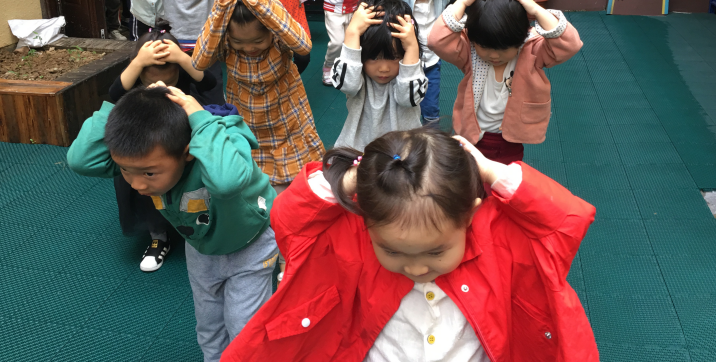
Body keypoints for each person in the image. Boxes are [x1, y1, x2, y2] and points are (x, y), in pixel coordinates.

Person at [220, 128, 598, 362]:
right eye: (394, 251)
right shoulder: (355, 238)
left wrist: (489, 170)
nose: (416, 268)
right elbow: (290, 220)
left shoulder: (497, 238)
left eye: (435, 251)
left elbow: (564, 223)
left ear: (470, 215)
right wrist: (350, 181)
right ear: (365, 223)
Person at [67, 84, 278, 362]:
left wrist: (198, 115)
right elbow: (80, 160)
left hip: (251, 245)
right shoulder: (150, 157)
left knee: (243, 327)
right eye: (126, 171)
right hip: (202, 248)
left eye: (149, 174)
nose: (138, 184)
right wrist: (127, 107)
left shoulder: (221, 142)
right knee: (209, 324)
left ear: (187, 152)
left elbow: (227, 183)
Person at [192, 0, 324, 193]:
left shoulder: (279, 38)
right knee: (258, 185)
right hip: (249, 123)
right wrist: (219, 13)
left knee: (299, 183)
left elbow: (304, 46)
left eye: (257, 41)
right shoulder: (226, 43)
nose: (249, 48)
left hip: (287, 120)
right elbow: (199, 62)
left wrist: (265, 7)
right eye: (239, 42)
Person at [429, 0, 583, 165]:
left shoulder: (532, 51)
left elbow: (570, 44)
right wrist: (462, 1)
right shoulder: (469, 52)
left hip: (509, 140)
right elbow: (436, 40)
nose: (494, 55)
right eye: (484, 47)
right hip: (472, 137)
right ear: (473, 39)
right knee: (468, 177)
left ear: (521, 38)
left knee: (505, 180)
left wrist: (535, 9)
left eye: (503, 49)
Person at [106, 28, 218, 272]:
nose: (161, 88)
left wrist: (183, 58)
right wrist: (138, 62)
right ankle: (158, 236)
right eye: (152, 83)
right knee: (145, 188)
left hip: (179, 146)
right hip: (147, 149)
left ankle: (198, 226)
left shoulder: (184, 71)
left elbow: (209, 82)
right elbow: (114, 93)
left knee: (193, 189)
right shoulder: (134, 77)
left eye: (169, 82)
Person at [373, 0, 461, 126]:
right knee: (403, 100)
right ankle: (401, 131)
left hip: (431, 60)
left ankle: (430, 135)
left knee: (431, 105)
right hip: (404, 60)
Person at [331, 0, 427, 151]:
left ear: (406, 53)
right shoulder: (357, 74)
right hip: (358, 151)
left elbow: (407, 98)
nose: (383, 68)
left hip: (404, 153)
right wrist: (352, 32)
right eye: (374, 58)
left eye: (394, 57)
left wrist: (412, 48)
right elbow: (347, 84)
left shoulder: (412, 71)